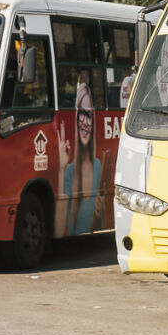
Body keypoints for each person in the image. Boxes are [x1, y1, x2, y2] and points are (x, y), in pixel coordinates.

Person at [60, 80, 104, 235]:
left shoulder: (98, 166)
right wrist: (61, 169)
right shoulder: (69, 171)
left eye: (89, 116)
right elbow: (60, 229)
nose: (86, 122)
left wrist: (101, 212)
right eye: (82, 115)